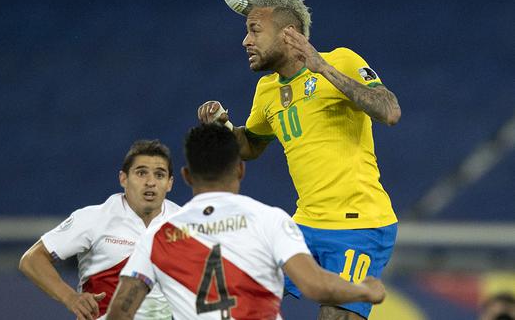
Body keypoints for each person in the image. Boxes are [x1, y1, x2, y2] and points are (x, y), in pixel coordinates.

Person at [197, 0, 401, 320]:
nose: (246, 41)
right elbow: (250, 147)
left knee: (335, 316)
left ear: (288, 33)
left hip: (359, 223)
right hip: (305, 223)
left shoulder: (342, 60)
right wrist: (222, 127)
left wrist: (322, 67)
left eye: (254, 30)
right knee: (239, 296)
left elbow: (389, 111)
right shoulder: (267, 91)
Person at [105, 124, 386, 320]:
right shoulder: (270, 221)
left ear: (187, 176)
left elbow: (120, 312)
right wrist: (365, 290)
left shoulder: (159, 235)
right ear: (240, 169)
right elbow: (315, 285)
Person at [19, 140, 180, 320]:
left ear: (169, 183)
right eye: (141, 173)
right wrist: (71, 297)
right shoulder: (94, 219)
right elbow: (32, 260)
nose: (150, 182)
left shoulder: (186, 223)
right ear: (123, 179)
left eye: (159, 175)